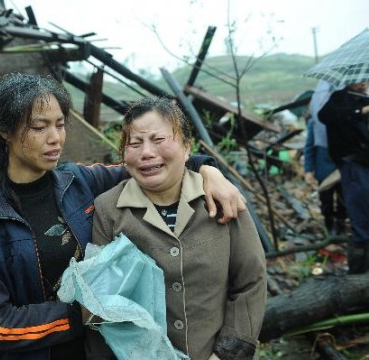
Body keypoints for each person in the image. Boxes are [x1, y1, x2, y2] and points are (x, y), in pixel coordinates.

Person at [0, 73, 247, 360]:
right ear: (5, 130)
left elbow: (145, 166)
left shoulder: (79, 181)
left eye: (60, 125)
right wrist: (78, 315)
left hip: (102, 349)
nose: (55, 138)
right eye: (39, 127)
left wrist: (208, 169)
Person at [90, 96, 267, 360]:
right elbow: (103, 303)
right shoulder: (109, 209)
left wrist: (227, 354)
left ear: (187, 148)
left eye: (159, 140)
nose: (147, 152)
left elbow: (250, 282)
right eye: (134, 143)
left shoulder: (221, 198)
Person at [318, 81, 369, 274]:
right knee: (360, 214)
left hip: (364, 161)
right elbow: (326, 116)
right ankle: (359, 271)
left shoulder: (363, 98)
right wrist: (361, 111)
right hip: (353, 163)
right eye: (362, 79)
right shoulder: (339, 99)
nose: (365, 83)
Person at [303, 115, 346, 234]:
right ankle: (329, 225)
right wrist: (308, 170)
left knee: (344, 201)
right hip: (324, 171)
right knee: (326, 201)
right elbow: (309, 148)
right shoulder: (315, 123)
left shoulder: (344, 119)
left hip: (342, 169)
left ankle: (340, 226)